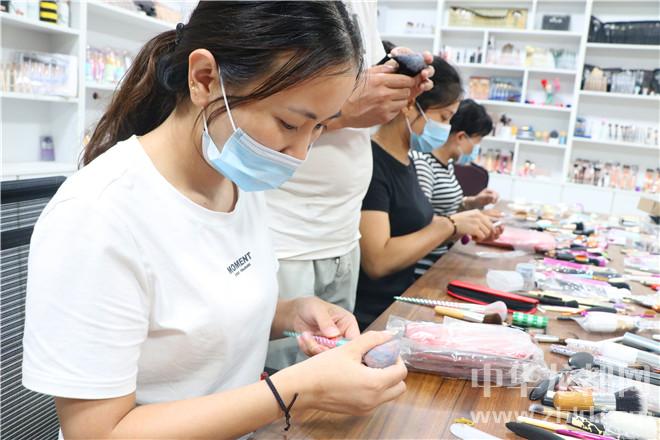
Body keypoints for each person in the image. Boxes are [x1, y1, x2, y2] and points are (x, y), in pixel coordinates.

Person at [21, 3, 407, 439]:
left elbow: (194, 320)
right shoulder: (97, 215)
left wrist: (290, 313)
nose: (299, 154)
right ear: (204, 79)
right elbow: (97, 433)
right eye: (289, 123)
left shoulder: (237, 182)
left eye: (319, 127)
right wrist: (294, 390)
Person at [264, 2, 434, 369]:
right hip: (287, 236)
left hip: (342, 235)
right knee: (282, 384)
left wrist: (389, 90)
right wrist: (344, 111)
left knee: (333, 374)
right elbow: (267, 107)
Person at [354, 57, 499, 329]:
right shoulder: (374, 163)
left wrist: (463, 224)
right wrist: (449, 225)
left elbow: (411, 228)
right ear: (410, 104)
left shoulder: (406, 160)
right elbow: (378, 261)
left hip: (400, 303)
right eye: (443, 118)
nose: (446, 129)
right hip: (371, 316)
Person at [412, 99, 500, 277]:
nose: (477, 148)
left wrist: (473, 203)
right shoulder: (424, 164)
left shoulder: (447, 164)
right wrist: (463, 226)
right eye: (477, 141)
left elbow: (445, 208)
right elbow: (420, 223)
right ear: (461, 137)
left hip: (443, 255)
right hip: (425, 266)